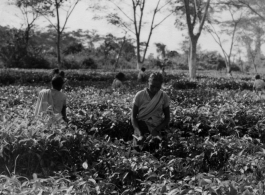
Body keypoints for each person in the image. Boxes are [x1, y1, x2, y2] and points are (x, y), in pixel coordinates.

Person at [131, 72, 170, 146]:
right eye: (152, 86)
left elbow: (167, 118)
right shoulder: (140, 95)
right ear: (148, 82)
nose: (155, 89)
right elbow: (133, 117)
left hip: (157, 128)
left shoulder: (163, 96)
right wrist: (139, 134)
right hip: (141, 128)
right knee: (138, 153)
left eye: (158, 87)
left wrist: (156, 130)